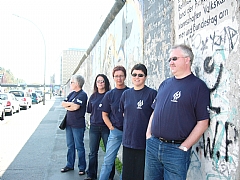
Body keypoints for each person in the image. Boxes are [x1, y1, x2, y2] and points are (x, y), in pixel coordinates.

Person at [145, 44, 210, 180]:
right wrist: (148, 134)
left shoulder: (198, 86)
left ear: (187, 60)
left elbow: (203, 122)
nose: (170, 62)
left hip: (176, 151)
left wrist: (185, 147)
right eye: (169, 59)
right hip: (153, 145)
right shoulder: (165, 83)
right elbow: (155, 110)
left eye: (174, 59)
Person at [119, 63, 157, 180]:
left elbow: (155, 116)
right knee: (127, 173)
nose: (137, 77)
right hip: (128, 140)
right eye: (134, 74)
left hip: (144, 141)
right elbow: (123, 112)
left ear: (145, 77)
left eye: (140, 75)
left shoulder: (152, 94)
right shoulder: (126, 94)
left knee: (141, 173)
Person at [99, 65, 129, 180]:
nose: (119, 78)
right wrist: (111, 127)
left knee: (127, 161)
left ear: (125, 77)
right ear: (113, 77)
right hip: (116, 131)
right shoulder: (110, 94)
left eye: (121, 76)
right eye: (116, 76)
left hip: (129, 132)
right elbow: (104, 114)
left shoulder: (130, 92)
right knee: (108, 160)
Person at [85, 74, 115, 180]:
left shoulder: (110, 95)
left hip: (106, 127)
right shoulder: (93, 96)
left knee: (109, 152)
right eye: (98, 81)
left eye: (102, 81)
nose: (100, 83)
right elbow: (89, 110)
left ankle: (110, 175)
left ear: (106, 83)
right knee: (93, 152)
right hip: (94, 128)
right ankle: (91, 175)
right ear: (96, 83)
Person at [61, 74, 88, 176]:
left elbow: (75, 107)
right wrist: (69, 105)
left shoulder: (82, 95)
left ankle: (82, 167)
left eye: (72, 82)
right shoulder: (71, 94)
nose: (70, 84)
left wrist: (68, 106)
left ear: (77, 83)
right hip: (69, 124)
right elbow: (63, 103)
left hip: (78, 125)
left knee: (79, 147)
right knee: (70, 146)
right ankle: (69, 164)